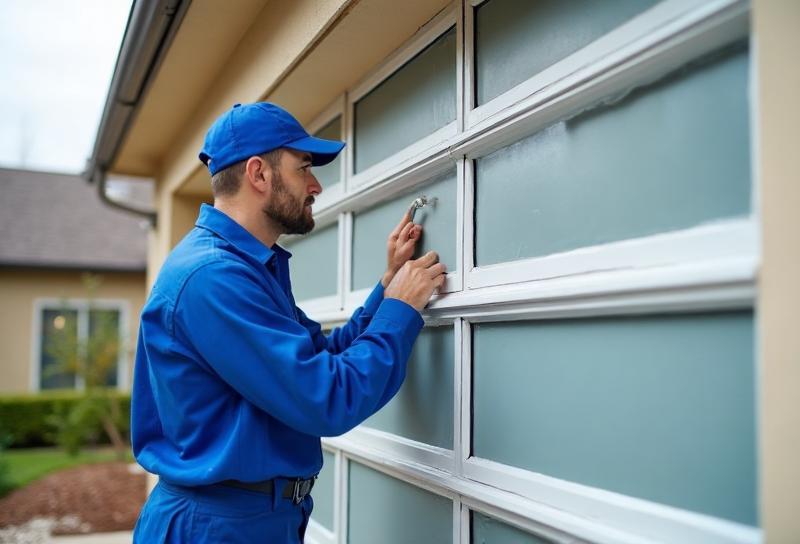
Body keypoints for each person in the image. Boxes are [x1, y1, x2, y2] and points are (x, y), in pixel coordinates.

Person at [130, 102, 447, 543]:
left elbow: (321, 357)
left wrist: (388, 287)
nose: (316, 185)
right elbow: (327, 396)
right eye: (304, 168)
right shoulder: (213, 277)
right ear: (259, 174)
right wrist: (401, 310)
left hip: (251, 520)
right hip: (217, 528)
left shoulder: (247, 268)